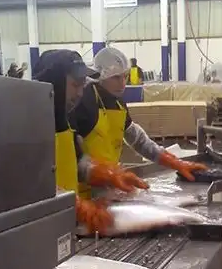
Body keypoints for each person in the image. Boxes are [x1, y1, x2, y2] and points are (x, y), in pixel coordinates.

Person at [33, 49, 148, 234]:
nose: (80, 93)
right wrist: (77, 205)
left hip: (65, 226)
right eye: (75, 85)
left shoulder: (64, 119)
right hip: (39, 230)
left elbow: (77, 161)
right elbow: (29, 183)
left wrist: (106, 173)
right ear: (53, 83)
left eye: (82, 85)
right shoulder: (28, 126)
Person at [71, 46, 206, 193]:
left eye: (125, 76)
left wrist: (176, 163)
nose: (122, 83)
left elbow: (139, 140)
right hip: (83, 192)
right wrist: (106, 175)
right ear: (99, 76)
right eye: (116, 77)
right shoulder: (83, 102)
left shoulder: (118, 103)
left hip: (110, 186)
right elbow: (71, 158)